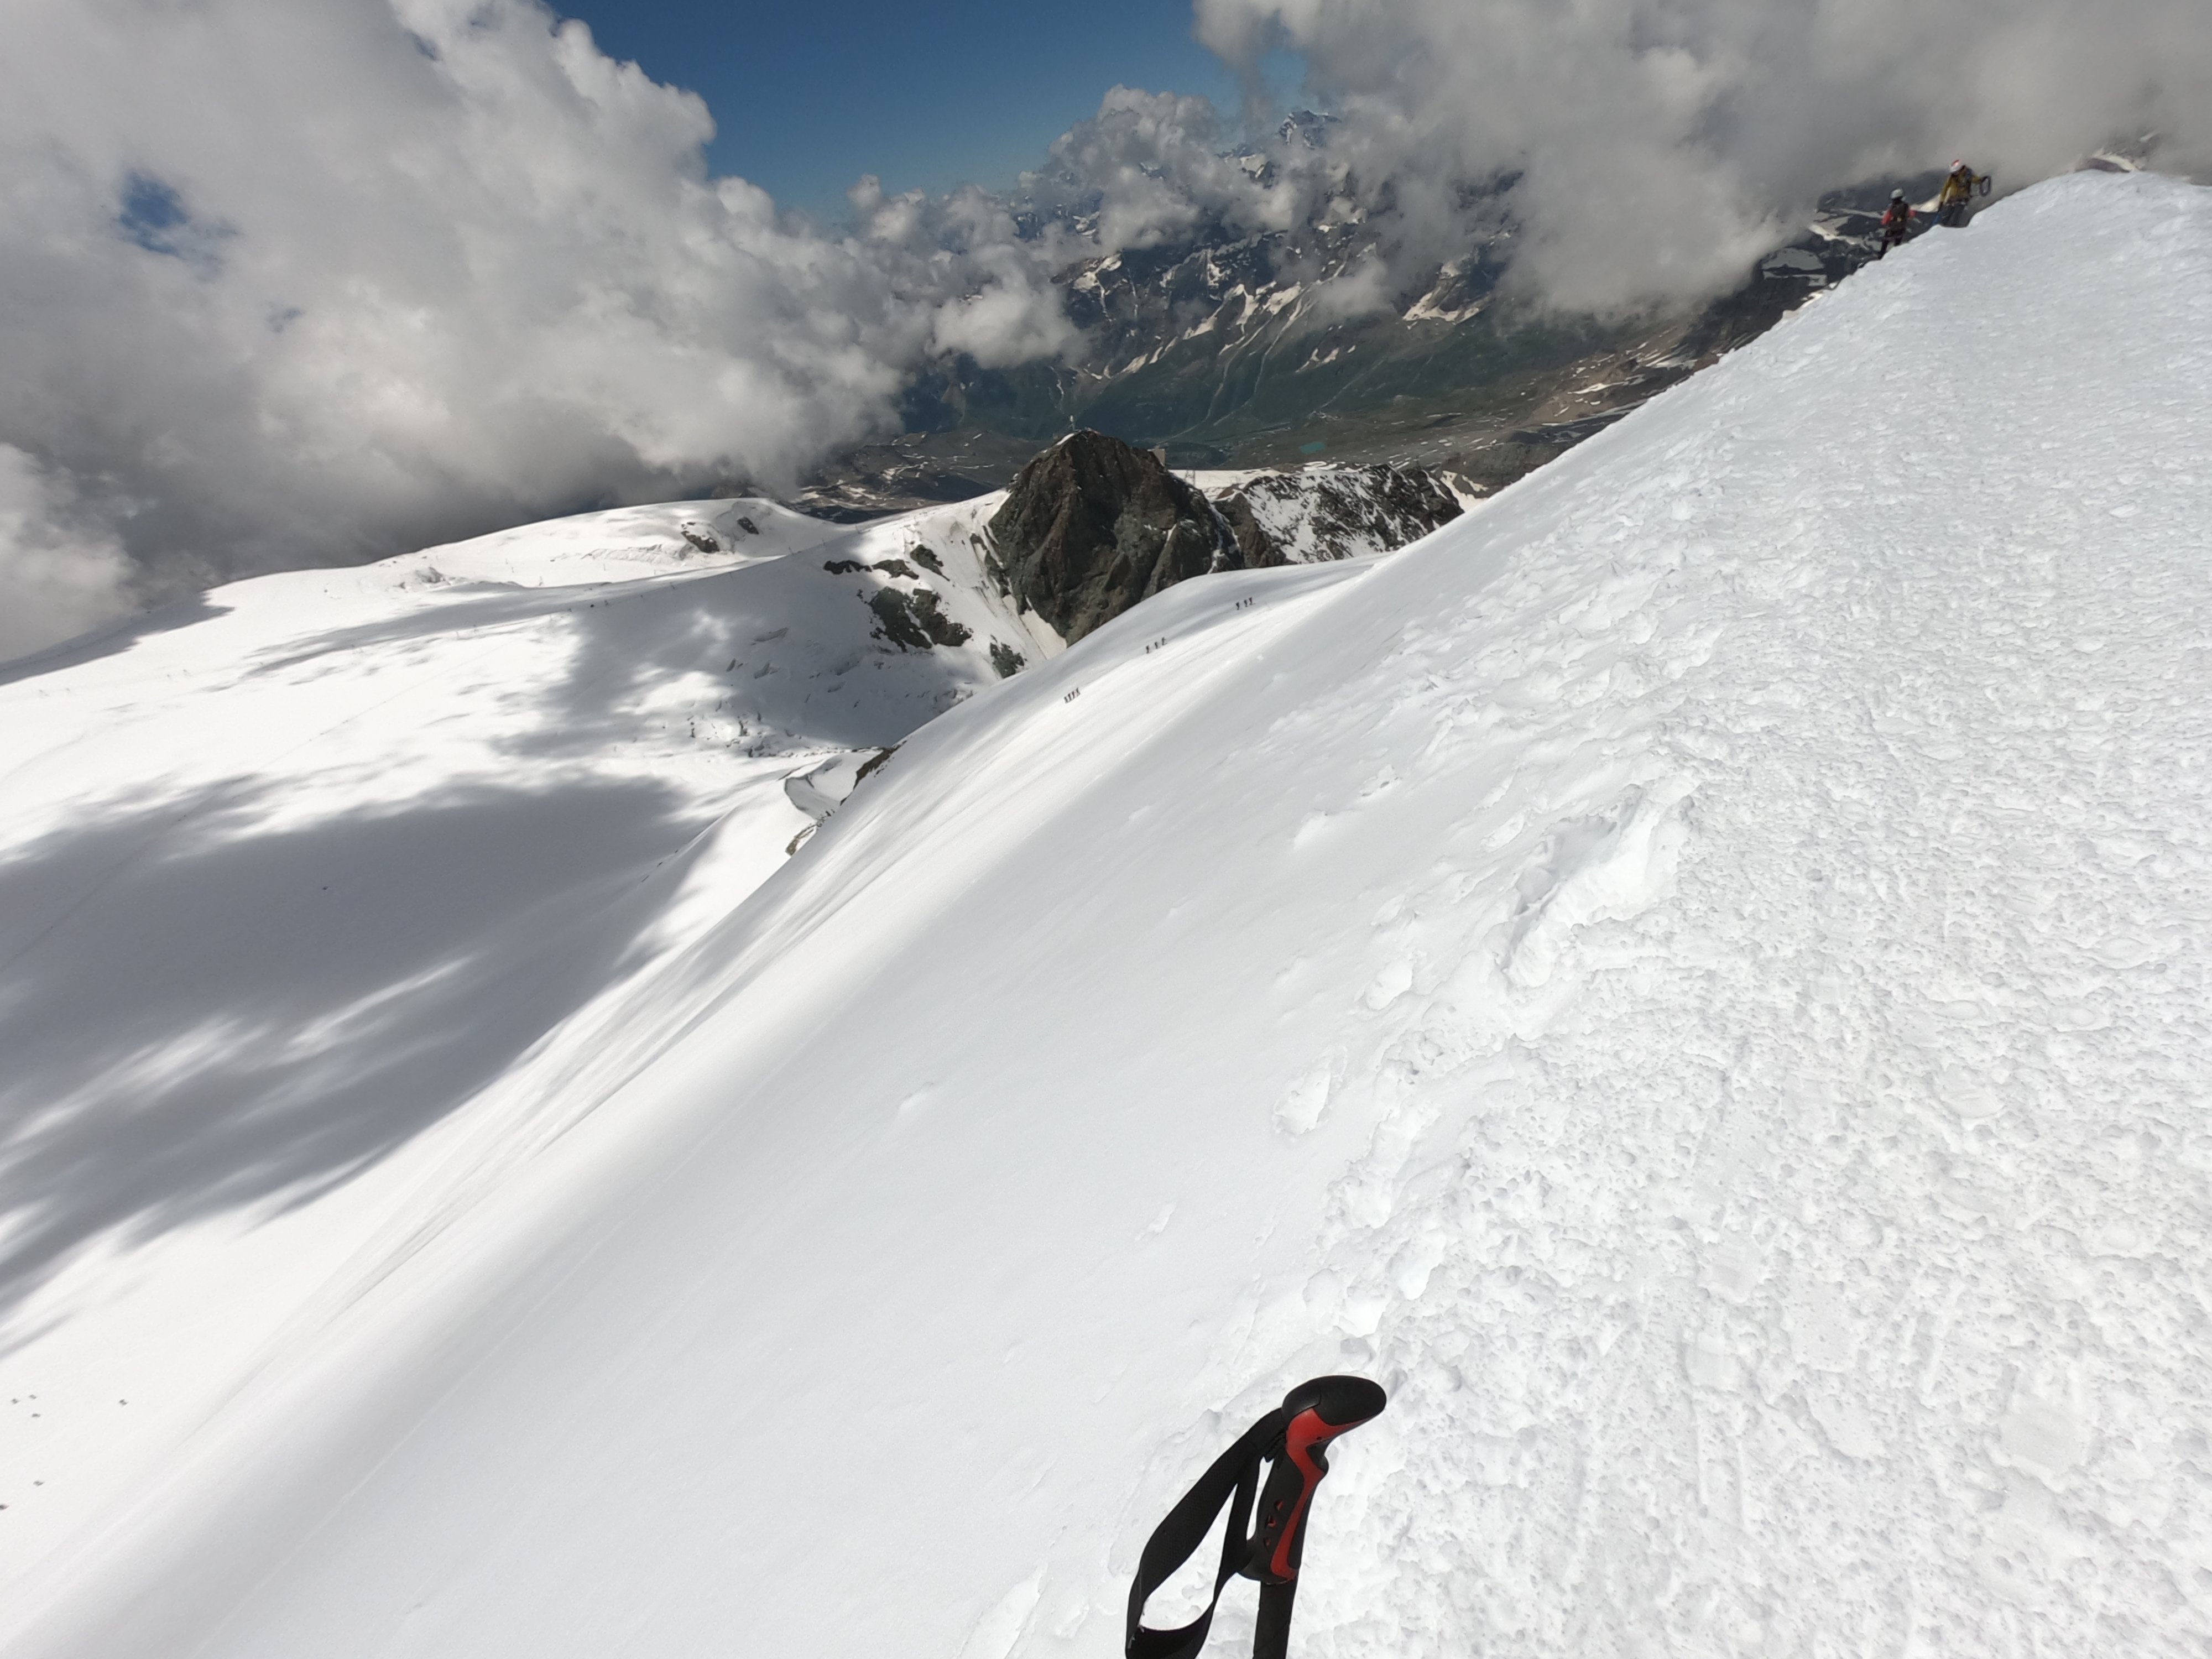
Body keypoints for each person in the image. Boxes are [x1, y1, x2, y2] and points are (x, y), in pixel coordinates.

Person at [1937, 160, 1990, 227]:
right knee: (1946, 215)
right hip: (1952, 199)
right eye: (1954, 173)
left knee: (1957, 214)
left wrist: (1980, 180)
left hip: (1963, 198)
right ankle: (1942, 228)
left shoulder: (1967, 174)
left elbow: (1974, 179)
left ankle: (1954, 227)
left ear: (1960, 169)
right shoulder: (1951, 177)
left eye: (1956, 172)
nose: (1955, 174)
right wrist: (1942, 201)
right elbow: (1945, 189)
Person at [1879, 188, 1916, 255]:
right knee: (1897, 242)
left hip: (1892, 228)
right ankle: (1896, 255)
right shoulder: (1906, 206)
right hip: (1902, 227)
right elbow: (1911, 215)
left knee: (1885, 241)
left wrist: (1885, 223)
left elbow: (1886, 219)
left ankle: (1881, 255)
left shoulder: (1892, 207)